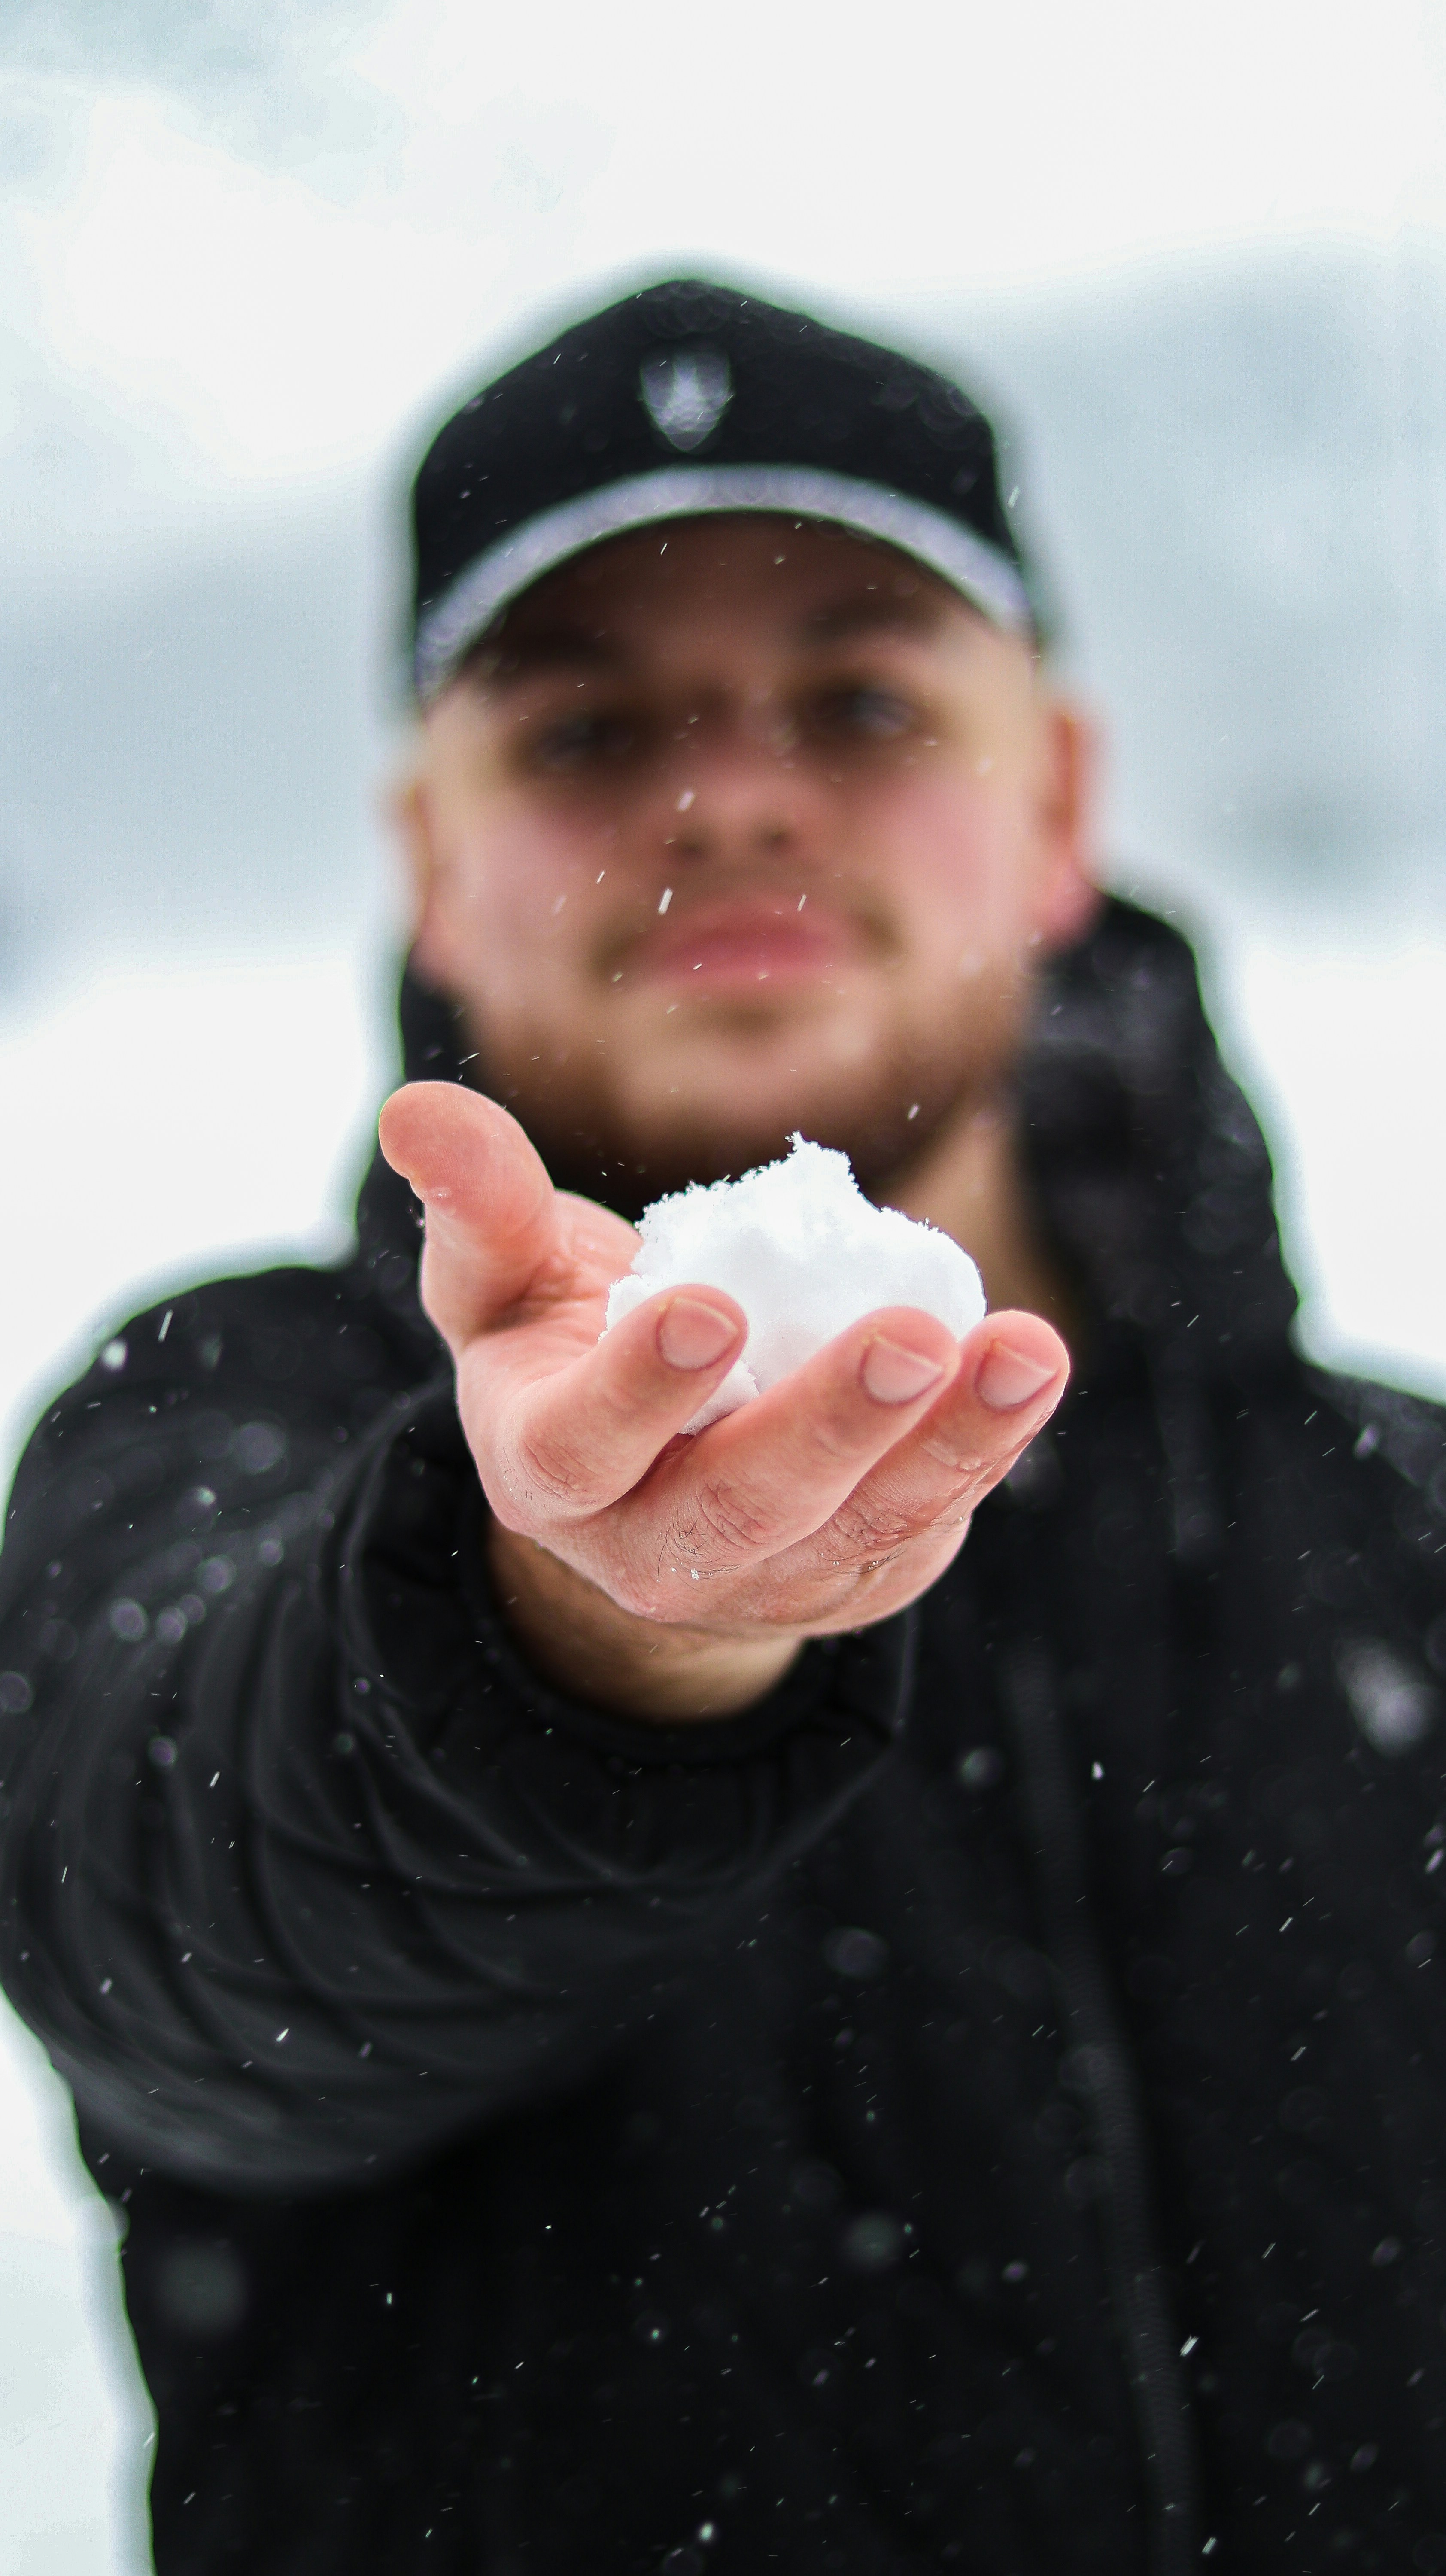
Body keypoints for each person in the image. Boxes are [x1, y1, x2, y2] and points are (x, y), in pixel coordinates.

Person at [1, 278, 1443, 2576]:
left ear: (1053, 798)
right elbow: (177, 1951)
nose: (733, 790)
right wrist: (546, 1644)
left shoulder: (1401, 1532)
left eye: (860, 699)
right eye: (583, 732)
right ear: (430, 862)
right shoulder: (222, 1431)